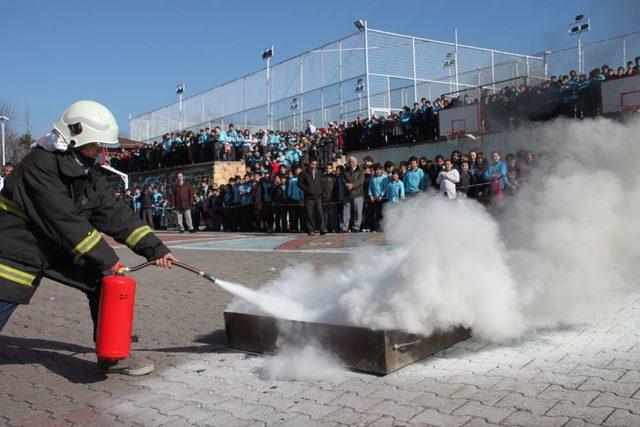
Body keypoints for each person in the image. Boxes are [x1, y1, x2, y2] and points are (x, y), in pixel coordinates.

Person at [0, 100, 177, 376]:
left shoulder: (86, 170)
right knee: (5, 296)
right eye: (96, 145)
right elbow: (64, 222)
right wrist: (111, 258)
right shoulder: (39, 165)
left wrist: (155, 249)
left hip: (54, 247)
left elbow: (114, 213)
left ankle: (113, 355)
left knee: (103, 279)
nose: (101, 153)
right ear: (75, 136)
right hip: (15, 248)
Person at [297, 159, 326, 236]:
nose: (314, 165)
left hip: (318, 197)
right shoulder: (304, 173)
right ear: (309, 164)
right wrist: (307, 190)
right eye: (312, 164)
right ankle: (310, 230)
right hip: (309, 197)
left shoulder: (319, 172)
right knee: (309, 214)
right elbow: (299, 184)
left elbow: (321, 183)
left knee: (320, 213)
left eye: (315, 164)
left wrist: (321, 190)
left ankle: (322, 229)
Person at [341, 156, 365, 233]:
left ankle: (356, 227)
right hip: (347, 193)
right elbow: (342, 179)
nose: (351, 164)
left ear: (356, 162)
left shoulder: (361, 171)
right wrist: (346, 184)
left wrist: (353, 185)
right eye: (350, 162)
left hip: (358, 193)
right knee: (346, 211)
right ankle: (345, 227)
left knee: (358, 211)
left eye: (353, 162)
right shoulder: (345, 171)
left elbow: (361, 181)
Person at [368, 163, 388, 232]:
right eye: (375, 170)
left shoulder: (385, 177)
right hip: (375, 199)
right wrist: (370, 195)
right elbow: (370, 187)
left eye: (378, 170)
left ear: (381, 170)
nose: (377, 172)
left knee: (384, 214)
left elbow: (386, 188)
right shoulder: (372, 177)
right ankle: (378, 228)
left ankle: (384, 228)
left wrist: (381, 195)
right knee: (377, 214)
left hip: (383, 198)